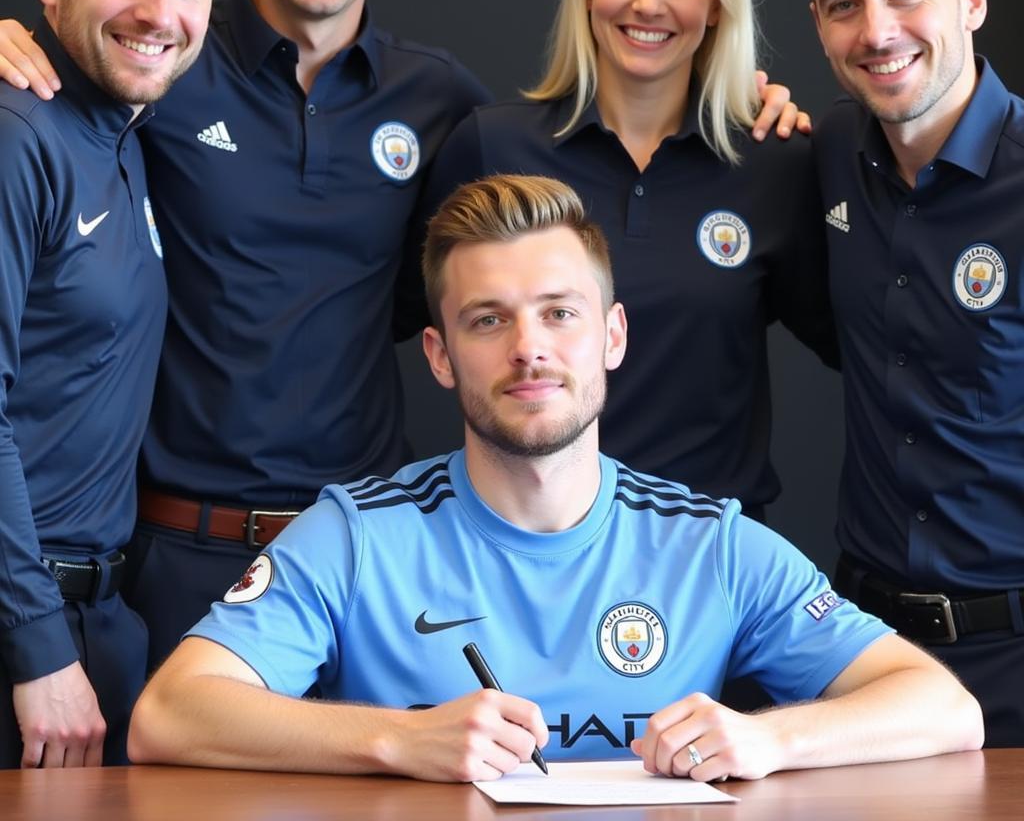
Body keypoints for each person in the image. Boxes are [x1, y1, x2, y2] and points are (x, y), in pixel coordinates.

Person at [0, 0, 803, 668]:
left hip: (368, 551)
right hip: (172, 548)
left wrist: (744, 96)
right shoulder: (166, 65)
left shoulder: (441, 104)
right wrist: (15, 38)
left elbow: (472, 290)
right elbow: (86, 64)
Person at [127, 174, 981, 781]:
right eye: (487, 319)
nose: (528, 348)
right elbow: (170, 714)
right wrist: (398, 741)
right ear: (439, 354)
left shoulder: (707, 544)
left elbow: (943, 710)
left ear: (611, 336)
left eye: (559, 313)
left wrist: (770, 741)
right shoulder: (356, 534)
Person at [427, 0, 835, 521]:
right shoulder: (491, 148)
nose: (649, 2)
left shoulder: (776, 163)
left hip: (709, 561)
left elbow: (872, 349)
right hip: (525, 547)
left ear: (716, 4)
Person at [795, 0, 1024, 747]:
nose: (877, 30)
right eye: (843, 4)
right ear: (817, 24)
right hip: (862, 654)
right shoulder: (819, 155)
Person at [0, 0, 218, 768]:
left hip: (101, 620)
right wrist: (37, 644)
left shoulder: (127, 134)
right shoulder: (18, 138)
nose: (159, 11)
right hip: (26, 638)